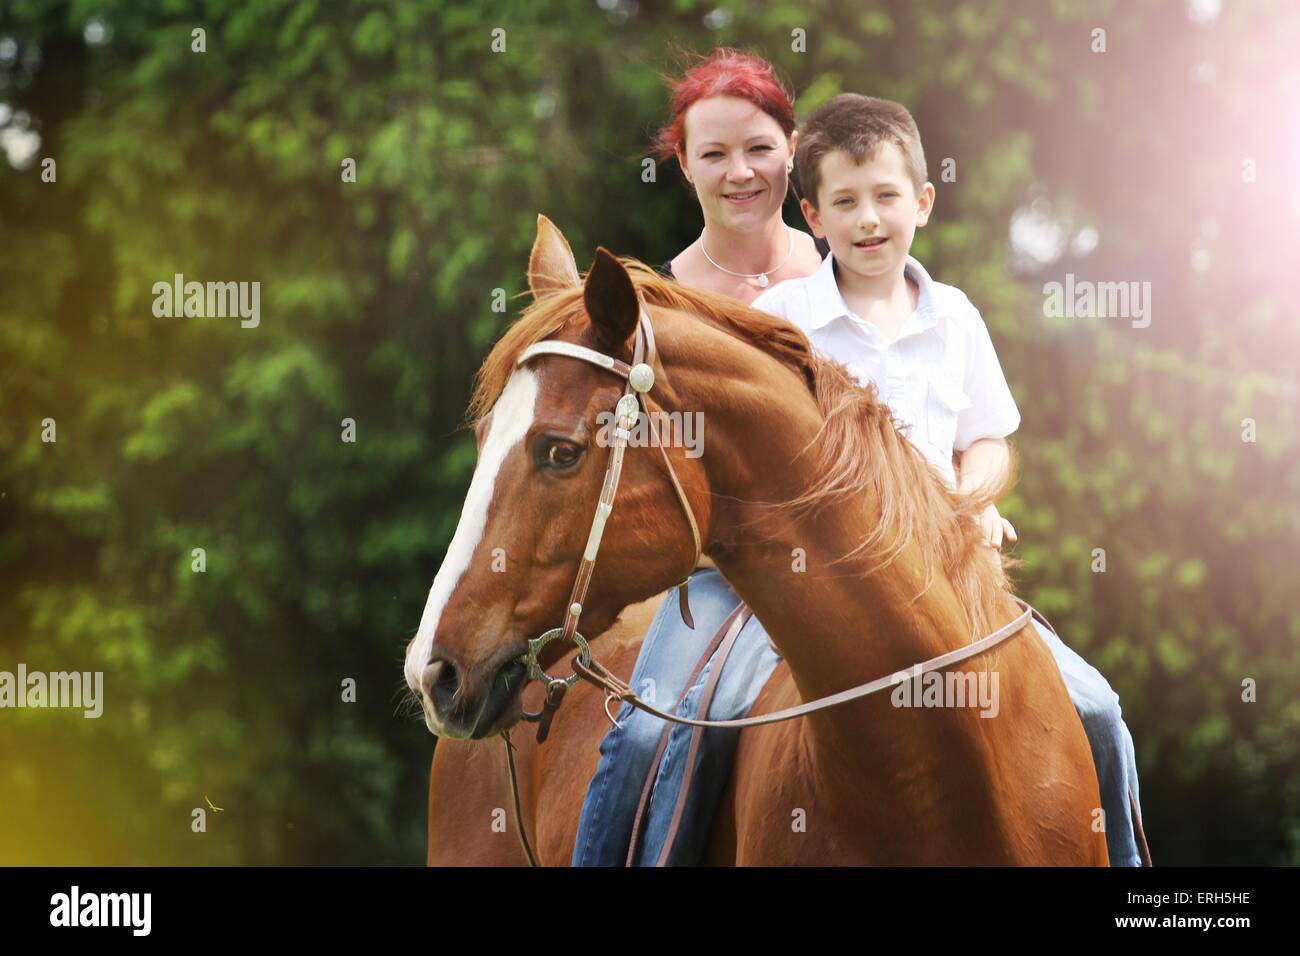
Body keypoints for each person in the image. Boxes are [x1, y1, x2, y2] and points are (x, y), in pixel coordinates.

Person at [748, 93, 1148, 866]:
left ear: (923, 203)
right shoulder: (782, 321)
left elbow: (989, 440)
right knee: (692, 732)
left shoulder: (956, 316)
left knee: (1098, 709)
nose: (869, 219)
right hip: (821, 594)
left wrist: (973, 499)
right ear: (813, 216)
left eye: (887, 197)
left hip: (955, 586)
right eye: (846, 202)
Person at [571, 47, 824, 866]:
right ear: (683, 166)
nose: (740, 172)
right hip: (716, 581)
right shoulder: (657, 308)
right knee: (645, 741)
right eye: (713, 153)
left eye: (758, 148)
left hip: (847, 568)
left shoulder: (846, 274)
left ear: (793, 148)